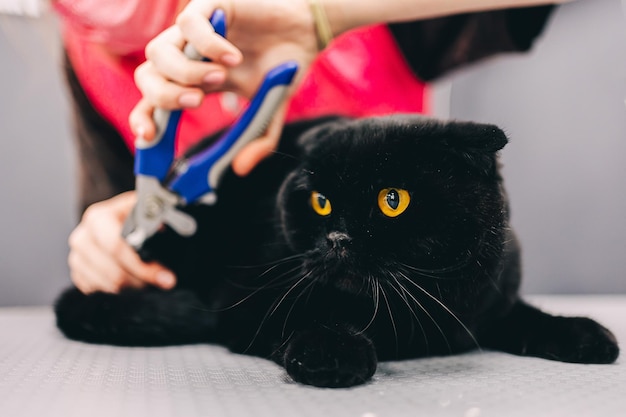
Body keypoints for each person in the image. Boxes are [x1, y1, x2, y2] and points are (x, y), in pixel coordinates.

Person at [54, 0, 572, 294]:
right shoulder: (87, 63)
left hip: (409, 301)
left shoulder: (372, 17)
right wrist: (106, 241)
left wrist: (320, 14)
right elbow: (135, 217)